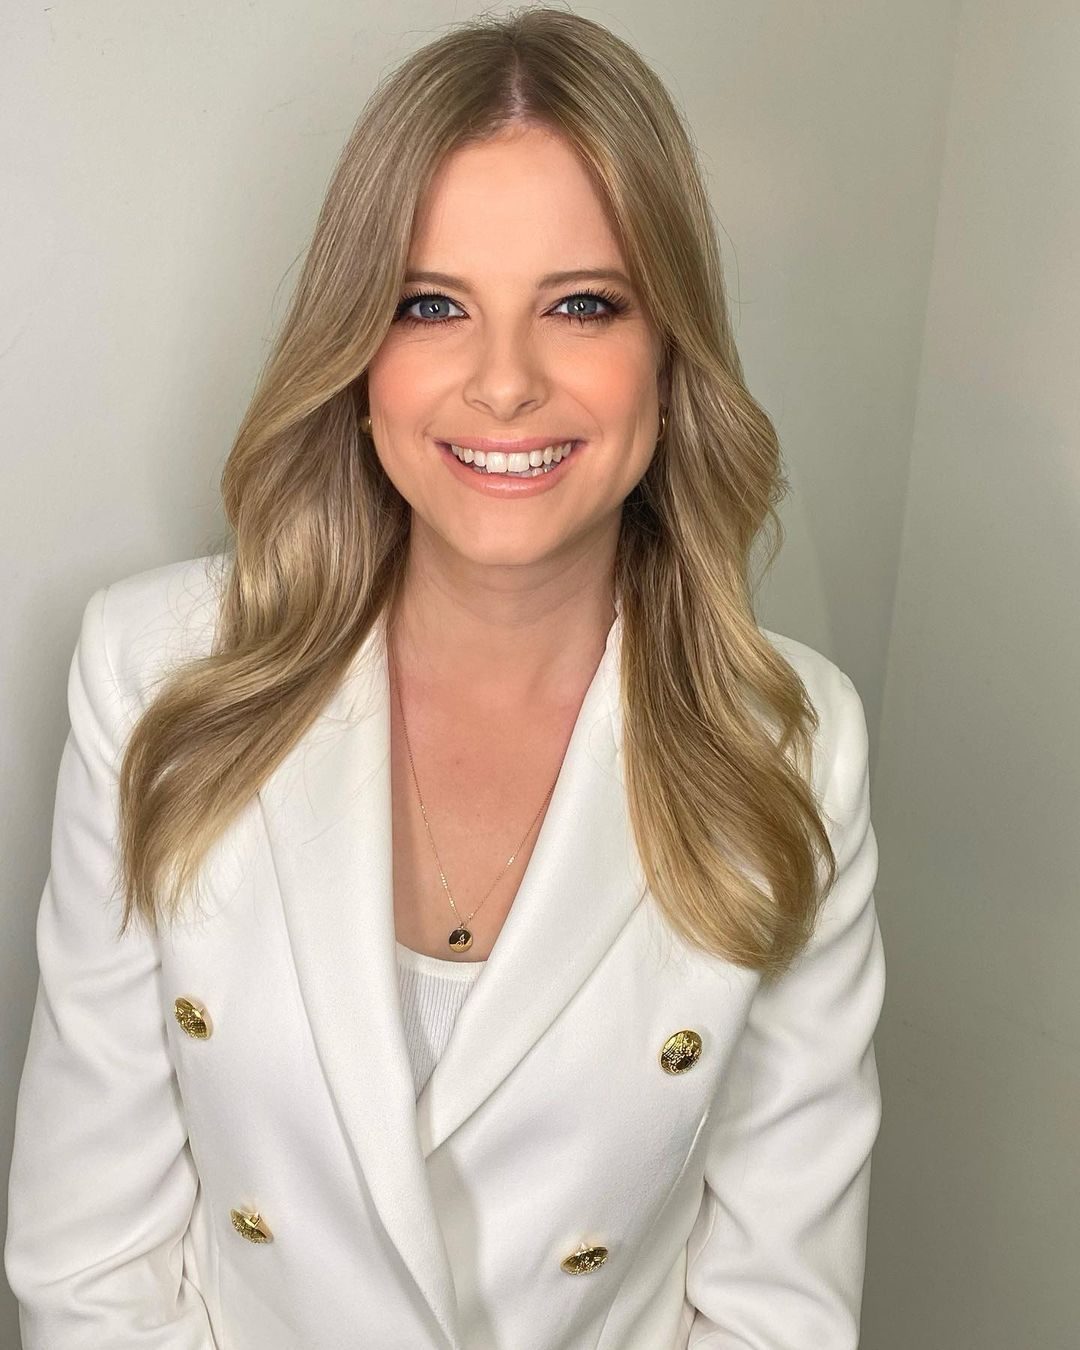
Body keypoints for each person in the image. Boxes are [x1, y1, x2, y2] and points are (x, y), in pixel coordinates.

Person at [5, 8, 886, 1348]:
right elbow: (87, 1264)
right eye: (432, 305)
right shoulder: (153, 677)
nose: (505, 383)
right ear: (359, 355)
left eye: (582, 305)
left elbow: (778, 1306)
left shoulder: (796, 745)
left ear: (669, 356)